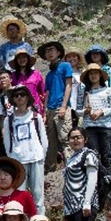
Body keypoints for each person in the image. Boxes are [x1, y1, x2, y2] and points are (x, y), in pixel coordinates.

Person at [2, 85, 47, 213]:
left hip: (36, 158)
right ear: (13, 99)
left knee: (38, 194)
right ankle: (21, 220)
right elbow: (7, 142)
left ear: (27, 98)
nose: (19, 97)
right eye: (16, 95)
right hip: (18, 160)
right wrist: (12, 158)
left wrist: (42, 156)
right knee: (19, 195)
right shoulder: (9, 120)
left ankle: (40, 219)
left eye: (22, 94)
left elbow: (44, 139)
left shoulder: (36, 117)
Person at [80, 63, 111, 199]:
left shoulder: (108, 91)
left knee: (107, 157)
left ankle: (108, 185)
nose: (93, 76)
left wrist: (102, 111)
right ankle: (95, 186)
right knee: (93, 157)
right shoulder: (85, 93)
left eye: (96, 73)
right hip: (89, 128)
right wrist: (85, 111)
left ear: (100, 75)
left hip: (105, 127)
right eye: (91, 73)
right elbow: (77, 111)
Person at [38, 41, 73, 172]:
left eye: (52, 50)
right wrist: (45, 113)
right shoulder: (49, 74)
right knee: (50, 142)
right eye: (47, 51)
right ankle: (50, 171)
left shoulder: (65, 66)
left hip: (61, 107)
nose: (50, 53)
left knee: (65, 138)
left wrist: (64, 106)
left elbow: (69, 85)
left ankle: (72, 168)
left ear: (58, 52)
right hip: (50, 109)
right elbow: (47, 94)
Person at [63, 128, 100, 221]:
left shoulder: (89, 155)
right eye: (72, 138)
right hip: (72, 207)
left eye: (78, 137)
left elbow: (92, 179)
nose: (75, 140)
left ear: (85, 139)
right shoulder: (71, 158)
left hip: (83, 204)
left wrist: (87, 203)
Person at [8, 48, 46, 115]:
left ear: (28, 59)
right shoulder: (12, 76)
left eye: (24, 57)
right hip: (20, 108)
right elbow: (10, 92)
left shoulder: (36, 74)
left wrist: (45, 112)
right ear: (16, 61)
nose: (22, 60)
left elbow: (43, 92)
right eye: (19, 58)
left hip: (35, 108)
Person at [64, 51, 86, 127]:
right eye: (69, 57)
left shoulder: (83, 73)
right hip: (67, 105)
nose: (71, 59)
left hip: (80, 105)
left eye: (74, 56)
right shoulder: (63, 74)